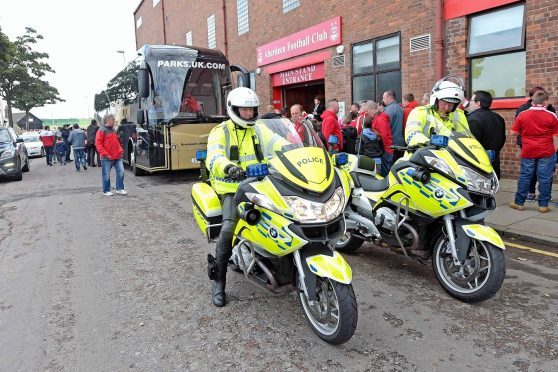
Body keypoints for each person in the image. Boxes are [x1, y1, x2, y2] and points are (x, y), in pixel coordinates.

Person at [206, 87, 290, 307]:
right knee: (227, 229)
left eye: (252, 110)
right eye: (244, 110)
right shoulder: (220, 131)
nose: (249, 114)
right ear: (233, 109)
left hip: (261, 186)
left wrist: (294, 151)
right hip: (232, 189)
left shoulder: (259, 129)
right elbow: (214, 158)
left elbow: (278, 144)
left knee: (285, 218)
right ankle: (219, 282)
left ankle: (282, 268)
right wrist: (228, 168)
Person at [510, 90, 558, 213]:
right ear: (545, 101)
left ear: (533, 100)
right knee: (545, 178)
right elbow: (555, 136)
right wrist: (555, 150)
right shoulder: (551, 115)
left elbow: (514, 132)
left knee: (525, 176)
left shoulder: (522, 114)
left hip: (528, 151)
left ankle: (519, 203)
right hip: (546, 151)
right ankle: (543, 205)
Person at [405, 76, 469, 147]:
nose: (447, 108)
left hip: (450, 156)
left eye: (451, 104)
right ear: (435, 100)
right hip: (420, 155)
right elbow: (411, 135)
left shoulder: (458, 115)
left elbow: (466, 137)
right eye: (444, 103)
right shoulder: (419, 112)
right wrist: (429, 143)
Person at [466, 90, 506, 178]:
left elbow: (470, 144)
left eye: (471, 101)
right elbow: (502, 140)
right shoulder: (499, 118)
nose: (469, 103)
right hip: (494, 164)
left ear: (478, 103)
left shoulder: (472, 119)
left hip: (478, 167)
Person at [96, 114, 126, 196]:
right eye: (112, 119)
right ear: (107, 120)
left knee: (121, 172)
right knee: (106, 175)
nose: (114, 121)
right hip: (106, 157)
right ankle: (106, 190)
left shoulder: (113, 130)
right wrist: (105, 154)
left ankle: (119, 189)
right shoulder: (101, 130)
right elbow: (98, 144)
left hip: (117, 156)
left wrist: (120, 150)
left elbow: (116, 142)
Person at [367, 101, 394, 176]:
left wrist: (387, 151)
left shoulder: (380, 119)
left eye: (368, 111)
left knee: (385, 175)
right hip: (386, 150)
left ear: (372, 109)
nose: (368, 114)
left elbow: (385, 136)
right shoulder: (379, 118)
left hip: (386, 151)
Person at [382, 90, 405, 160]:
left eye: (384, 98)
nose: (383, 100)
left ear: (390, 97)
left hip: (392, 144)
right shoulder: (400, 108)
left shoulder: (389, 110)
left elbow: (385, 127)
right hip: (400, 143)